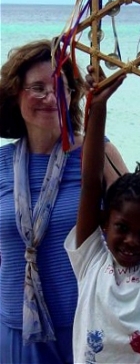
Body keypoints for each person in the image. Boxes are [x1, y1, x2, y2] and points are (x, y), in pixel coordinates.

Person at [0, 39, 128, 364]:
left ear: (72, 94)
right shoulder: (2, 164)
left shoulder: (96, 153)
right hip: (15, 332)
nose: (50, 97)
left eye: (60, 86)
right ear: (17, 94)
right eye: (37, 87)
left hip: (88, 328)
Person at [64, 58, 140, 363]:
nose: (133, 240)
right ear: (104, 223)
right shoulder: (91, 258)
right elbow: (91, 183)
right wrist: (99, 106)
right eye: (122, 228)